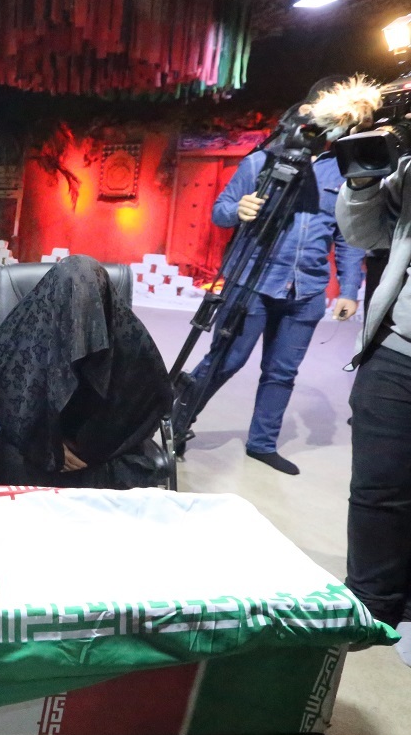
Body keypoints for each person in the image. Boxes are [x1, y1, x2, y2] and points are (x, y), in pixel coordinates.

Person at [175, 78, 365, 476]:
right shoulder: (260, 161)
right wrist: (238, 210)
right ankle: (174, 425)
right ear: (310, 111)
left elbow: (348, 237)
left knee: (281, 373)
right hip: (252, 284)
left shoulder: (343, 171)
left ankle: (262, 444)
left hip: (307, 292)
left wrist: (349, 288)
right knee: (225, 360)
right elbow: (220, 211)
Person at [0, 256, 173, 488]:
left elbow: (151, 401)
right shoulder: (24, 336)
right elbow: (8, 400)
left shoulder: (129, 338)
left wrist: (94, 449)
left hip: (105, 450)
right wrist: (49, 447)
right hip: (37, 446)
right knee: (12, 466)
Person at [337, 139, 411, 653]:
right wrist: (363, 182)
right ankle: (370, 603)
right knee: (376, 488)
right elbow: (366, 235)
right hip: (398, 348)